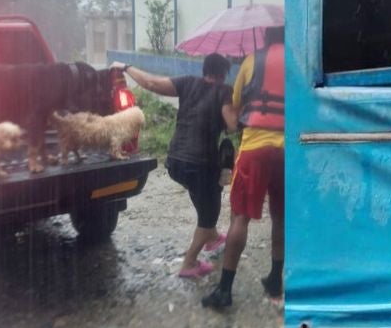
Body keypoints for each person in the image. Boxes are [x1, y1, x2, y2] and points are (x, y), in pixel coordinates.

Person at [110, 54, 233, 278]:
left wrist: (125, 66)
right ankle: (189, 263)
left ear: (204, 70)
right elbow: (233, 126)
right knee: (209, 213)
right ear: (223, 74)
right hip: (201, 164)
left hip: (176, 162)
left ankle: (213, 238)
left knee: (202, 195)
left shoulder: (187, 82)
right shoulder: (225, 92)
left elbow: (151, 83)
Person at [202, 26, 285, 309]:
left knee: (240, 216)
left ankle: (224, 290)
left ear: (266, 35)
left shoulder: (252, 61)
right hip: (289, 148)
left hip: (255, 146)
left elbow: (236, 109)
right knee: (280, 216)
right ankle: (276, 279)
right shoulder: (299, 60)